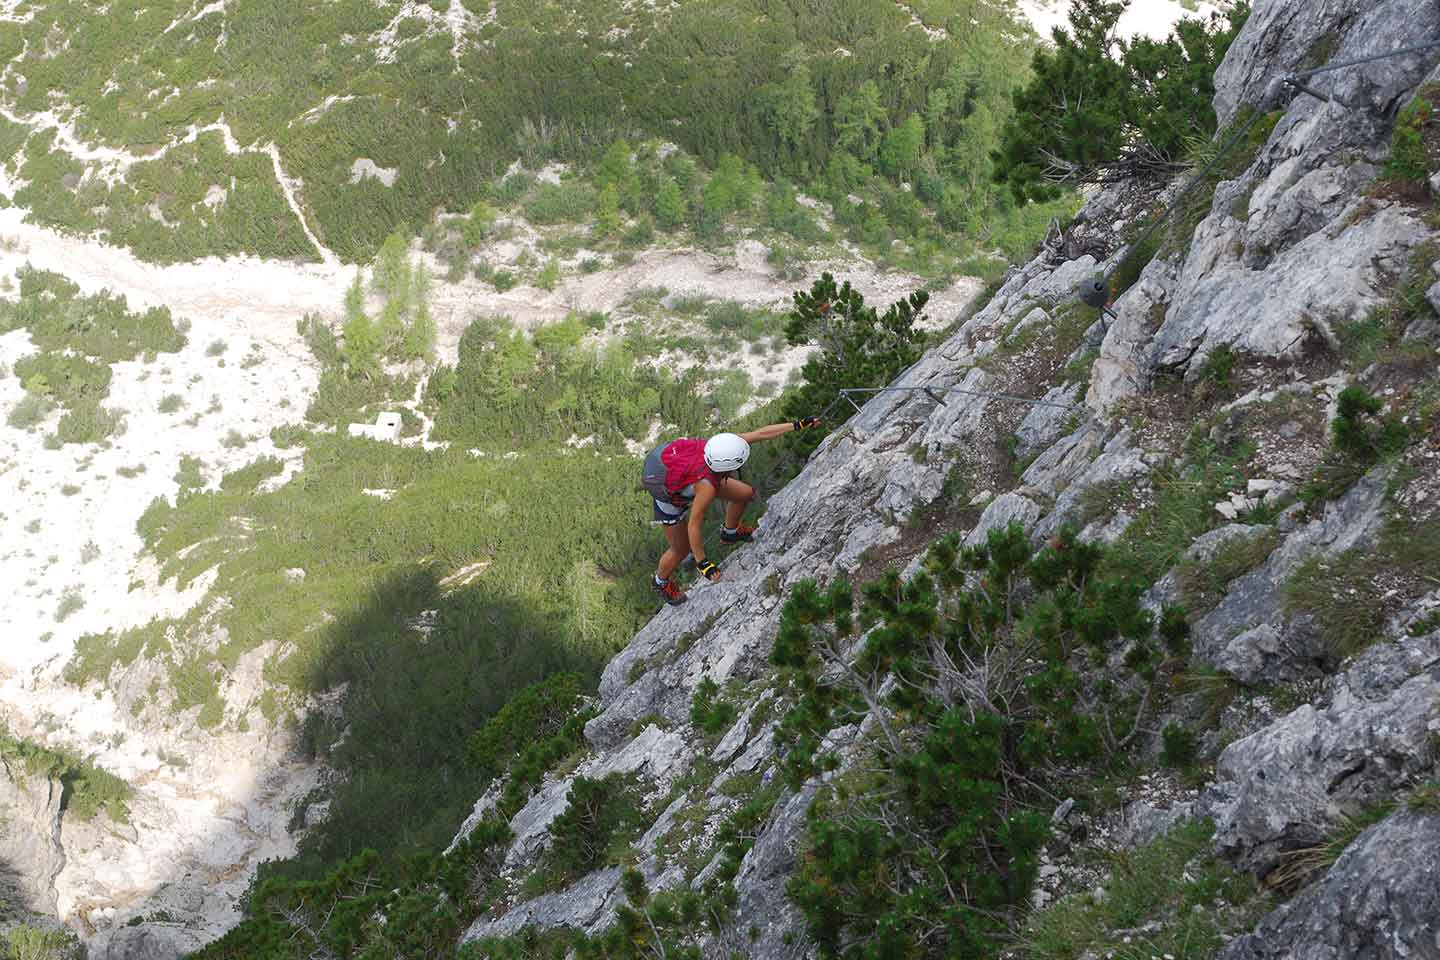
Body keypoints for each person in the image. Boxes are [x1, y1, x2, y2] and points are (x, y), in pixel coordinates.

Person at [642, 417, 822, 605]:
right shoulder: (707, 487)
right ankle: (660, 582)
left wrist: (797, 425)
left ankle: (730, 532)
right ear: (728, 466)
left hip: (699, 476)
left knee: (745, 494)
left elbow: (760, 434)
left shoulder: (720, 448)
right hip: (671, 500)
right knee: (680, 549)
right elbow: (693, 526)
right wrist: (703, 563)